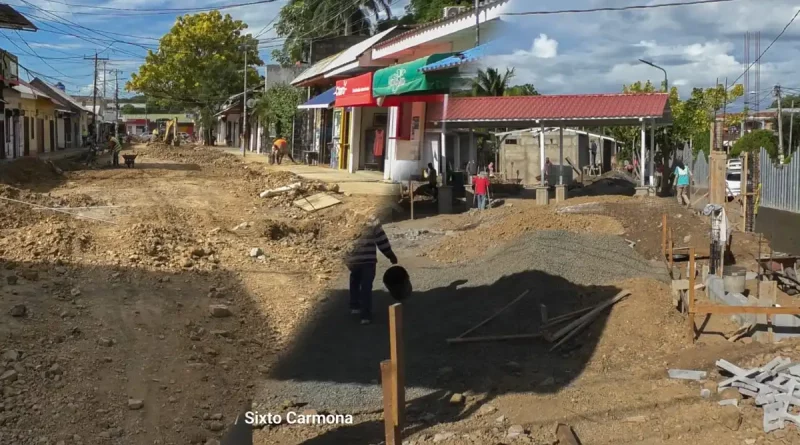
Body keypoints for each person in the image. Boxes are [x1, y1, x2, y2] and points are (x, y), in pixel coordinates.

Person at [346, 215, 398, 325]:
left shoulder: (348, 217)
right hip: (368, 260)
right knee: (366, 286)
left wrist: (345, 259)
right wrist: (390, 255)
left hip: (353, 259)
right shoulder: (372, 219)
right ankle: (365, 315)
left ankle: (355, 306)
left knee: (354, 280)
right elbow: (381, 240)